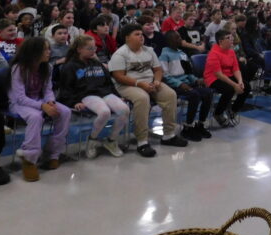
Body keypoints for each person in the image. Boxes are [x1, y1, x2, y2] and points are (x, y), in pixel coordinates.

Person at [109, 23, 187, 158]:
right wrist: (139, 84)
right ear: (127, 38)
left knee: (170, 94)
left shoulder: (149, 50)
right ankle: (142, 141)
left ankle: (169, 135)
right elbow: (119, 76)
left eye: (141, 34)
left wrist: (157, 81)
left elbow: (158, 70)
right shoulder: (120, 54)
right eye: (137, 34)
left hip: (150, 82)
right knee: (142, 98)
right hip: (128, 85)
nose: (141, 37)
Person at [9, 37, 72, 181]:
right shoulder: (18, 68)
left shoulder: (47, 67)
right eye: (45, 49)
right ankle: (29, 158)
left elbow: (48, 90)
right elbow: (19, 97)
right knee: (36, 116)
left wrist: (50, 101)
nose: (49, 52)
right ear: (34, 52)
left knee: (65, 112)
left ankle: (53, 153)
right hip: (19, 104)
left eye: (49, 49)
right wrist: (42, 106)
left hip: (39, 100)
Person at [58, 35, 129, 159]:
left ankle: (111, 140)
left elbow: (109, 82)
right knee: (104, 112)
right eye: (89, 48)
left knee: (124, 109)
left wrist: (118, 96)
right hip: (86, 95)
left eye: (94, 48)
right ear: (79, 49)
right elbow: (66, 88)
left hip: (104, 93)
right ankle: (92, 139)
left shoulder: (97, 63)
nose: (93, 51)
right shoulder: (70, 66)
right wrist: (74, 102)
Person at [159, 31, 213, 140]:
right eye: (177, 38)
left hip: (186, 82)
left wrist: (196, 80)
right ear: (169, 41)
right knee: (194, 95)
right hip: (173, 85)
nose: (180, 39)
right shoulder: (164, 55)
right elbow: (165, 76)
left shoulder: (182, 54)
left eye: (180, 37)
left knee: (208, 93)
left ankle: (200, 124)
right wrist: (180, 84)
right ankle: (188, 127)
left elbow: (188, 73)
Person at [203, 29, 247, 127]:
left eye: (231, 37)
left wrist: (240, 82)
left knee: (246, 86)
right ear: (221, 41)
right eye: (228, 38)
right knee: (229, 89)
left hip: (227, 75)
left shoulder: (231, 52)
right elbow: (218, 74)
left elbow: (236, 69)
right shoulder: (213, 53)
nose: (232, 39)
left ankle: (233, 110)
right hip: (213, 78)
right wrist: (235, 85)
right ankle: (218, 113)